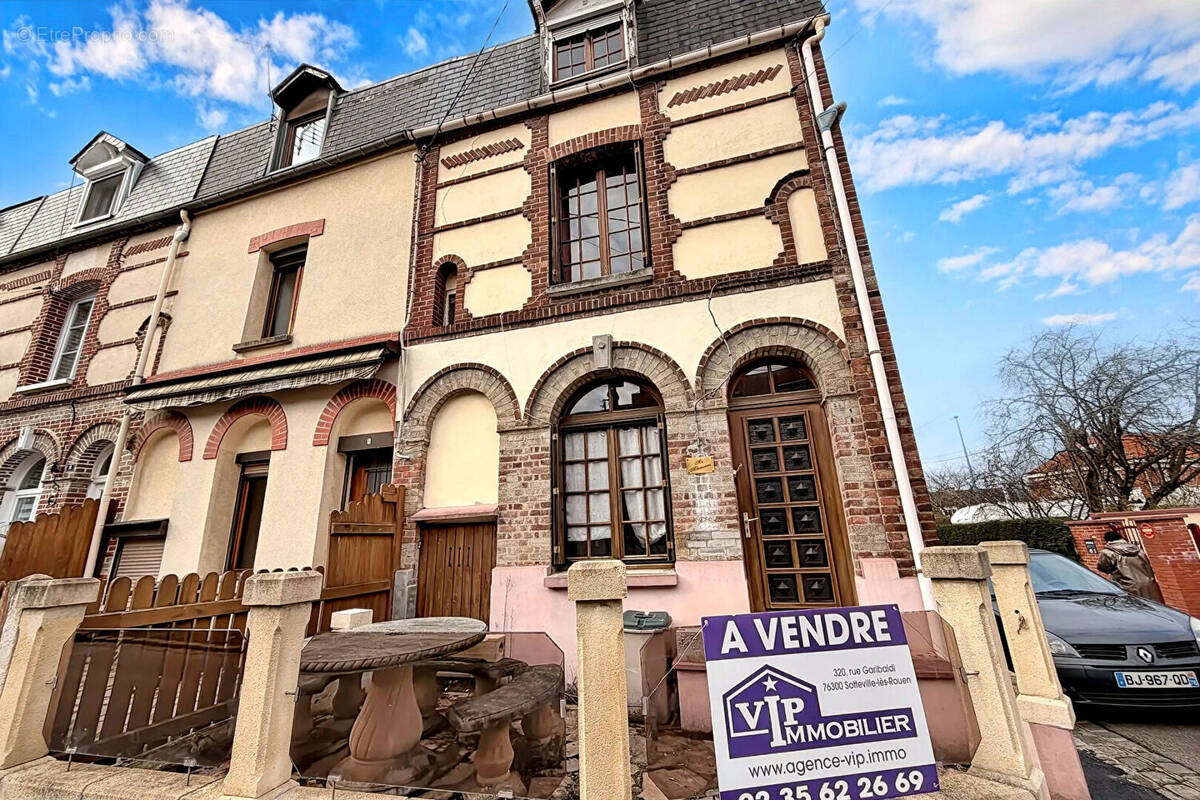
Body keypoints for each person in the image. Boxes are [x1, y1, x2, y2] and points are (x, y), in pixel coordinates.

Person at [1096, 530, 1163, 602]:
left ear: (1107, 540)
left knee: (1136, 608)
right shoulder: (1137, 549)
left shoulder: (1107, 552)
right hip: (1149, 583)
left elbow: (1102, 567)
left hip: (1126, 585)